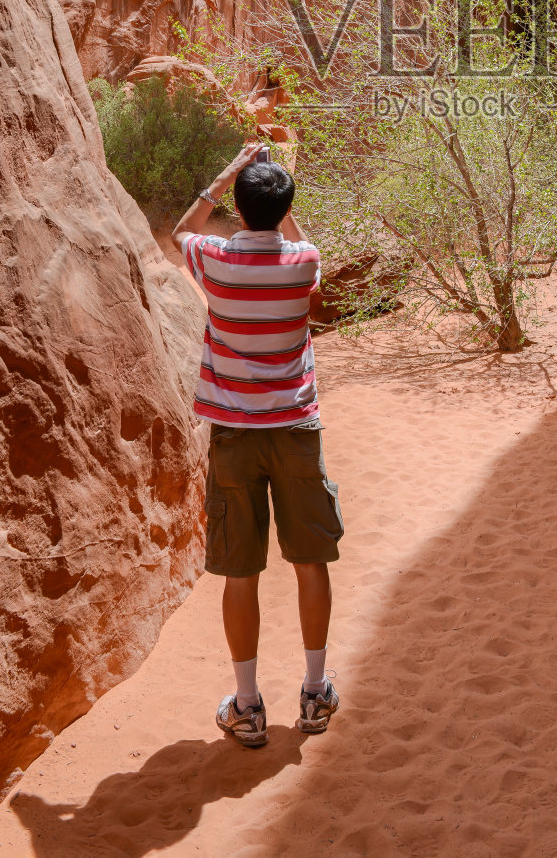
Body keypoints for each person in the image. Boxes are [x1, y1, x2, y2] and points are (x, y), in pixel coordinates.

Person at [171, 143, 343, 748]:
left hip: (235, 437)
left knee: (240, 572)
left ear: (239, 210)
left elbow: (181, 230)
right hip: (295, 430)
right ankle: (315, 693)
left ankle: (246, 707)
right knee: (310, 561)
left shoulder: (215, 260)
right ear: (284, 207)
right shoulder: (303, 262)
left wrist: (227, 175)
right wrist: (277, 203)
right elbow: (301, 243)